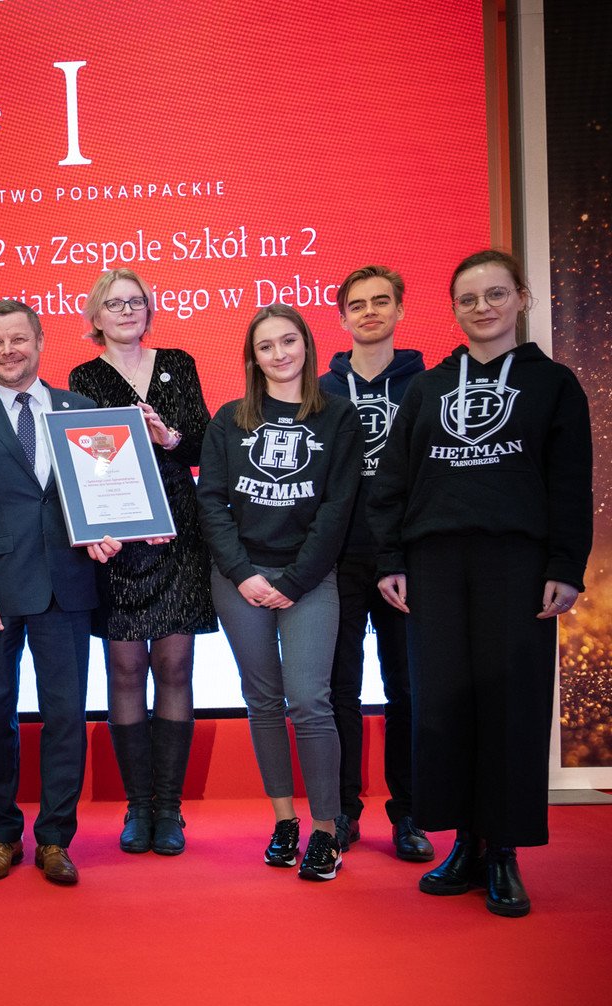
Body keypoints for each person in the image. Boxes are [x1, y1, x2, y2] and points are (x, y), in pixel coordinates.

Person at [370, 250, 593, 917]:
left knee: (510, 706)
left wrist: (565, 565)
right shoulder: (428, 388)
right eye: (468, 298)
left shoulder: (553, 384)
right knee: (444, 706)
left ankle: (504, 852)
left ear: (521, 298)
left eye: (495, 294)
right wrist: (390, 558)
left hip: (516, 566)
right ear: (454, 310)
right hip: (435, 565)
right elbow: (393, 480)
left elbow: (570, 484)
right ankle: (464, 843)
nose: (482, 308)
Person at [0, 298, 122, 885]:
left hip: (67, 587)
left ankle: (56, 838)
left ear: (40, 342)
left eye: (18, 339)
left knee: (66, 716)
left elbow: (105, 495)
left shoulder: (79, 410)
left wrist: (108, 532)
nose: (8, 351)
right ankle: (2, 835)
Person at [198, 304, 361, 882]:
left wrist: (293, 582)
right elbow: (211, 501)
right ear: (253, 357)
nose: (279, 353)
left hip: (308, 580)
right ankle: (285, 821)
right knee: (263, 701)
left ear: (307, 346)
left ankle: (326, 831)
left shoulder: (339, 417)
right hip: (240, 579)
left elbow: (337, 509)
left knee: (310, 701)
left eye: (288, 341)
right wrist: (243, 573)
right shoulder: (229, 419)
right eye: (265, 346)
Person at [68, 269, 214, 857]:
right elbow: (87, 462)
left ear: (149, 311)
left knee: (175, 668)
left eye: (136, 302)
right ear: (95, 317)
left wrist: (168, 438)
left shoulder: (179, 362)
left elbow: (205, 444)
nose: (126, 311)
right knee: (125, 671)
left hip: (177, 533)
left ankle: (169, 809)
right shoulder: (84, 377)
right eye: (114, 303)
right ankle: (138, 808)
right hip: (118, 538)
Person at [317, 266, 432, 862]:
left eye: (381, 302)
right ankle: (343, 810)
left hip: (406, 560)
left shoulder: (428, 386)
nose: (369, 312)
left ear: (400, 310)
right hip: (338, 559)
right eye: (357, 305)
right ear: (341, 318)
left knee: (406, 688)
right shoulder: (320, 390)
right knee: (340, 688)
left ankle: (408, 813)